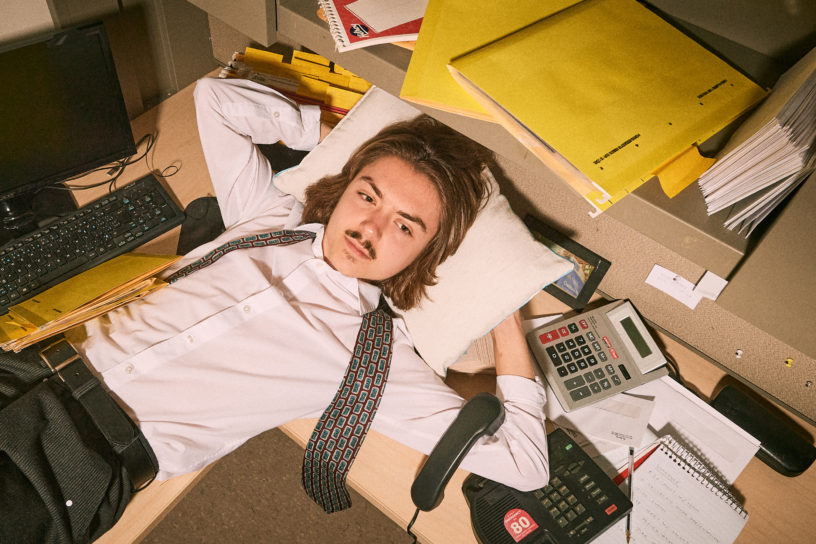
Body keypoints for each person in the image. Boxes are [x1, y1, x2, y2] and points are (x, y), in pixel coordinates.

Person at [0, 77, 549, 542]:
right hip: (26, 362)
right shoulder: (269, 218)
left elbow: (525, 465)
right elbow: (215, 98)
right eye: (368, 195)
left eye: (406, 225)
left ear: (426, 252)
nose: (370, 227)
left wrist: (504, 308)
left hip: (79, 457)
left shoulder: (376, 362)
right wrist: (345, 144)